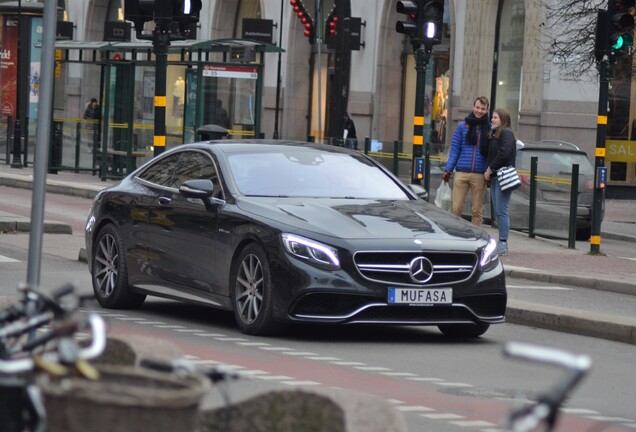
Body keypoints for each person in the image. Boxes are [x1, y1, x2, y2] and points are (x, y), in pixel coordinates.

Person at [443, 96, 490, 226]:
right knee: (456, 208)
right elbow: (455, 150)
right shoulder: (462, 126)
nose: (479, 111)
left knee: (477, 210)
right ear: (473, 107)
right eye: (477, 107)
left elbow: (491, 153)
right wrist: (448, 169)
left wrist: (489, 172)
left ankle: (476, 239)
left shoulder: (489, 128)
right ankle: (455, 233)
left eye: (483, 108)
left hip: (480, 174)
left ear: (487, 110)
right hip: (461, 172)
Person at [484, 108, 516, 256]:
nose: (492, 120)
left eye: (495, 117)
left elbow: (505, 153)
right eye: (492, 117)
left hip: (503, 176)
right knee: (498, 211)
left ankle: (503, 243)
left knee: (502, 211)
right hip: (496, 176)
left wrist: (490, 169)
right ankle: (501, 242)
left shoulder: (507, 133)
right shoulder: (495, 134)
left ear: (502, 120)